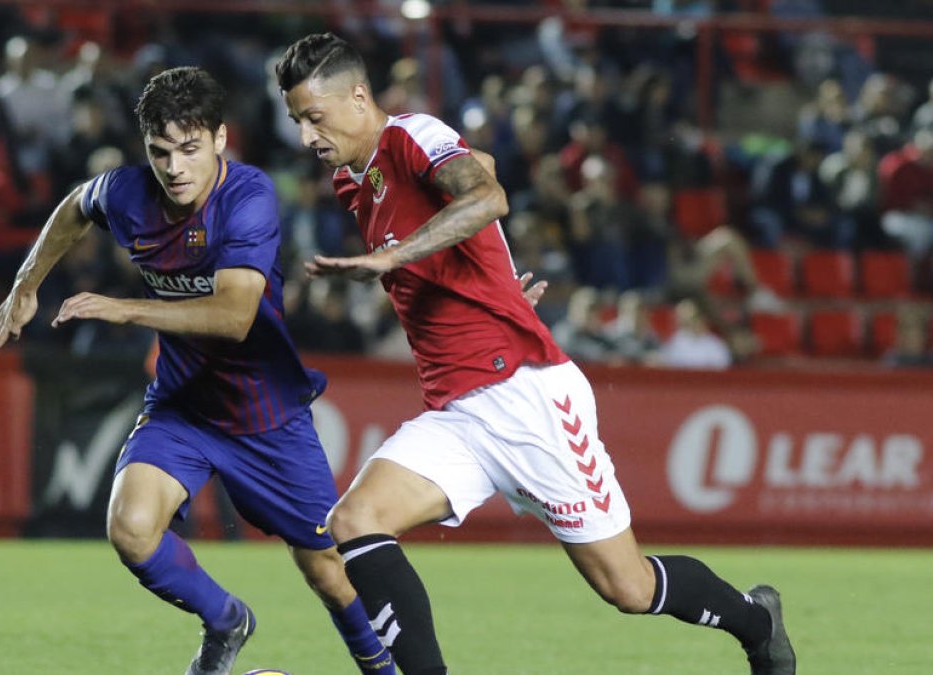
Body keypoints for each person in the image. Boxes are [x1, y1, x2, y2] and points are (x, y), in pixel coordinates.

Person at [276, 33, 796, 675]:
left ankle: (755, 619)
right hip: (458, 414)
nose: (305, 136)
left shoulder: (413, 135)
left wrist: (393, 257)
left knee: (628, 588)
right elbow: (479, 185)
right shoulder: (353, 182)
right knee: (354, 521)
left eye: (314, 117)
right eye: (298, 120)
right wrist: (495, 276)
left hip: (526, 396)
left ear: (358, 96)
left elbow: (485, 191)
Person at [0, 67, 394, 675]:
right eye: (160, 152)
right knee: (131, 529)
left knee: (327, 572)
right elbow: (74, 206)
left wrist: (125, 308)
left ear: (221, 140)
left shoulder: (248, 198)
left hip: (266, 415)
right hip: (183, 408)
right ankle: (226, 619)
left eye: (190, 149)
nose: (174, 167)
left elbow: (233, 315)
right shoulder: (128, 193)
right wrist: (26, 282)